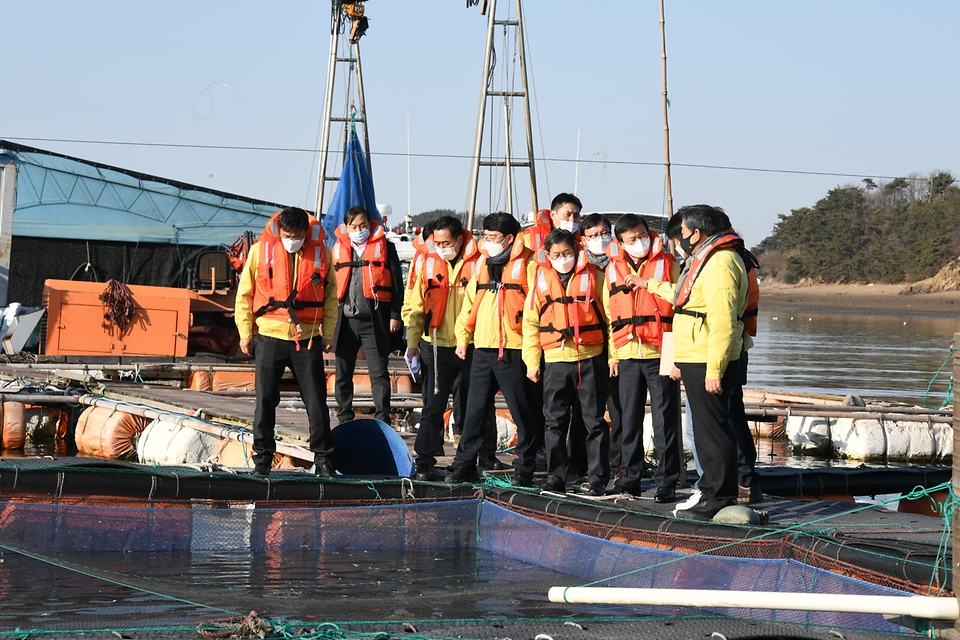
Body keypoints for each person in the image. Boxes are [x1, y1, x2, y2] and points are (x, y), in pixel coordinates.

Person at [646, 204, 750, 521]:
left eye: (682, 233)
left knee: (712, 429)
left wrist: (715, 371)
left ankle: (718, 496)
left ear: (697, 232)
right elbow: (688, 297)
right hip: (697, 355)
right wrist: (648, 285)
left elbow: (723, 322)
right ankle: (711, 490)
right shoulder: (706, 260)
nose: (680, 240)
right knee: (709, 429)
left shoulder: (719, 263)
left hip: (708, 358)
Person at [235, 207, 339, 477]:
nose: (291, 240)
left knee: (316, 403)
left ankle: (324, 460)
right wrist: (246, 332)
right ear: (279, 231)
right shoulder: (259, 251)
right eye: (286, 235)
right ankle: (262, 461)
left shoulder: (322, 254)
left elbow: (330, 298)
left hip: (307, 339)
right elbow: (244, 294)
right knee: (265, 400)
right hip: (270, 335)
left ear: (306, 233)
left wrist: (327, 333)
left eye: (296, 235)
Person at [446, 213, 541, 486]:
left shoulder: (530, 264)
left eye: (493, 238)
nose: (487, 242)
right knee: (474, 410)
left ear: (510, 238)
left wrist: (533, 355)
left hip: (514, 348)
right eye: (485, 237)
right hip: (483, 348)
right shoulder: (482, 264)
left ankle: (524, 467)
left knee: (522, 411)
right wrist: (463, 338)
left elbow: (536, 307)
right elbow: (469, 304)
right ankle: (465, 464)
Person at [522, 228, 610, 496]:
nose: (563, 258)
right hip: (555, 360)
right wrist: (532, 362)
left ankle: (598, 479)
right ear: (547, 255)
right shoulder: (540, 280)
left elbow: (611, 318)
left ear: (576, 249)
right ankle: (555, 477)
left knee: (595, 421)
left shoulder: (595, 276)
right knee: (554, 421)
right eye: (557, 254)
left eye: (568, 253)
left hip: (590, 358)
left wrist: (614, 358)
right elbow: (530, 323)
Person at [602, 214, 681, 502]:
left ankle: (666, 482)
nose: (639, 242)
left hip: (663, 350)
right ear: (620, 243)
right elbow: (611, 315)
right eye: (631, 239)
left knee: (665, 421)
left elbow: (681, 303)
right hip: (626, 353)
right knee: (628, 420)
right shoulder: (612, 271)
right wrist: (613, 356)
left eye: (642, 236)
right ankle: (630, 479)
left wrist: (678, 356)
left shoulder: (669, 265)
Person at [405, 215, 480, 480]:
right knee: (433, 406)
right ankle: (424, 462)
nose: (441, 247)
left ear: (460, 240)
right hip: (435, 345)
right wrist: (411, 344)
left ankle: (472, 461)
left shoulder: (480, 261)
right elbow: (415, 306)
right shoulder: (427, 261)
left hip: (472, 346)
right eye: (437, 242)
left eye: (446, 242)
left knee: (477, 406)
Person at [331, 206, 404, 424]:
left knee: (379, 371)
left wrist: (395, 314)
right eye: (354, 226)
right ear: (346, 227)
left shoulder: (386, 248)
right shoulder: (337, 248)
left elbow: (398, 285)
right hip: (345, 320)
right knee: (343, 370)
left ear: (370, 225)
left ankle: (382, 417)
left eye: (363, 225)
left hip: (374, 319)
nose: (359, 229)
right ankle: (344, 415)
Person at [579, 214, 623, 477]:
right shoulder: (576, 265)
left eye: (604, 232)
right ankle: (583, 462)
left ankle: (618, 464)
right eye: (593, 234)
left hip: (618, 343)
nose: (600, 238)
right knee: (587, 410)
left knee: (619, 408)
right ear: (583, 239)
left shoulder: (622, 264)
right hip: (588, 345)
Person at [523, 192, 583, 257]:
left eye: (576, 216)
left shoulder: (584, 238)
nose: (572, 220)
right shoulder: (530, 238)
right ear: (553, 215)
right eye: (567, 215)